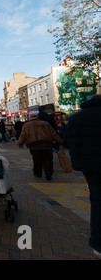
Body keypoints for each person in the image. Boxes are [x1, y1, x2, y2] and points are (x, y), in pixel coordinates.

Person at [63, 94, 101, 259]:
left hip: (90, 167)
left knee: (98, 204)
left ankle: (98, 245)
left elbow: (65, 141)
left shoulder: (76, 118)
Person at [17, 112, 63, 180]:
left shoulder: (26, 125)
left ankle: (38, 174)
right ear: (37, 117)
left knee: (36, 160)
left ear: (30, 118)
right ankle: (48, 173)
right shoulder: (45, 123)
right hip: (46, 144)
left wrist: (20, 143)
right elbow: (53, 134)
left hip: (33, 145)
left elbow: (23, 135)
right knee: (47, 159)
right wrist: (60, 142)